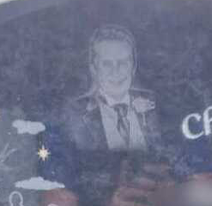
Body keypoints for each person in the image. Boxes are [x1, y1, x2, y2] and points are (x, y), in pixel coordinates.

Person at [64, 25, 158, 153]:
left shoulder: (155, 103)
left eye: (123, 62)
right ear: (94, 69)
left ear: (134, 66)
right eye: (107, 64)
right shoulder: (76, 112)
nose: (116, 71)